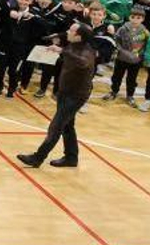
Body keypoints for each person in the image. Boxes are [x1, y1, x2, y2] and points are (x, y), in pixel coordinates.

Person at [18, 23, 97, 169]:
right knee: (67, 126)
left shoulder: (87, 51)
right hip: (65, 92)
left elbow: (83, 63)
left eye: (71, 30)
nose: (67, 31)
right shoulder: (72, 46)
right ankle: (71, 157)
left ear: (78, 36)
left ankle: (38, 157)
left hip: (75, 96)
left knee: (56, 127)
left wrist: (62, 51)